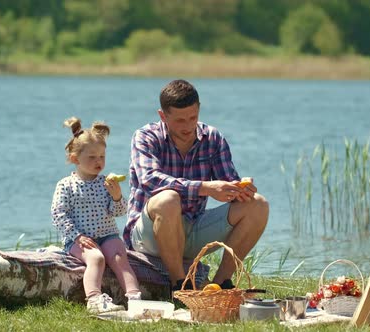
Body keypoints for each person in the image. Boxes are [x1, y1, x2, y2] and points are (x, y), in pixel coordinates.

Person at [123, 79, 269, 292]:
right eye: (180, 120)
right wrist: (205, 187)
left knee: (258, 204)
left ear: (199, 110)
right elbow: (150, 180)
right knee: (168, 199)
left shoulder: (212, 138)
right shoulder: (145, 136)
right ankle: (180, 286)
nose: (188, 126)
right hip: (148, 235)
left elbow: (228, 185)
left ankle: (219, 284)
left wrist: (240, 189)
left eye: (193, 117)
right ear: (163, 116)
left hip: (193, 228)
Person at [51, 117, 141, 314]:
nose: (98, 161)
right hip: (79, 239)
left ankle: (135, 298)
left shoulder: (105, 183)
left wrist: (117, 196)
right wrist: (77, 236)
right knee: (97, 258)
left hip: (107, 234)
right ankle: (94, 300)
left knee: (119, 257)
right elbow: (59, 215)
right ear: (75, 159)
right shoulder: (66, 185)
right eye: (92, 157)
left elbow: (118, 212)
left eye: (102, 156)